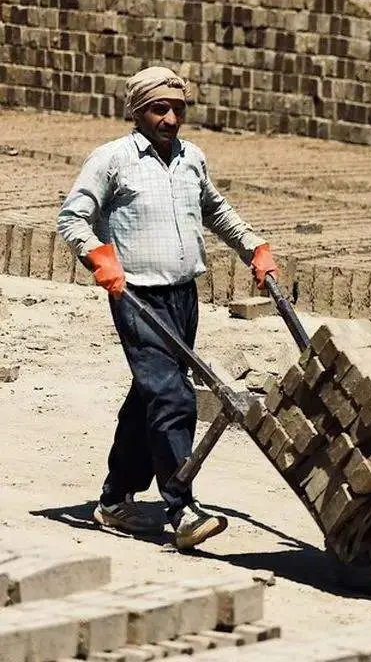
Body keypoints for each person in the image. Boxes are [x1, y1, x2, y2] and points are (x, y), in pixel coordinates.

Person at [57, 66, 279, 550]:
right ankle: (181, 508)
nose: (171, 118)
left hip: (183, 295)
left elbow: (215, 210)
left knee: (149, 397)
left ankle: (115, 500)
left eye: (178, 109)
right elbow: (72, 217)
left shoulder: (190, 158)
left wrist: (254, 248)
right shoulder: (113, 159)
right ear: (137, 112)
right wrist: (99, 256)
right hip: (137, 296)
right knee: (173, 397)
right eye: (160, 109)